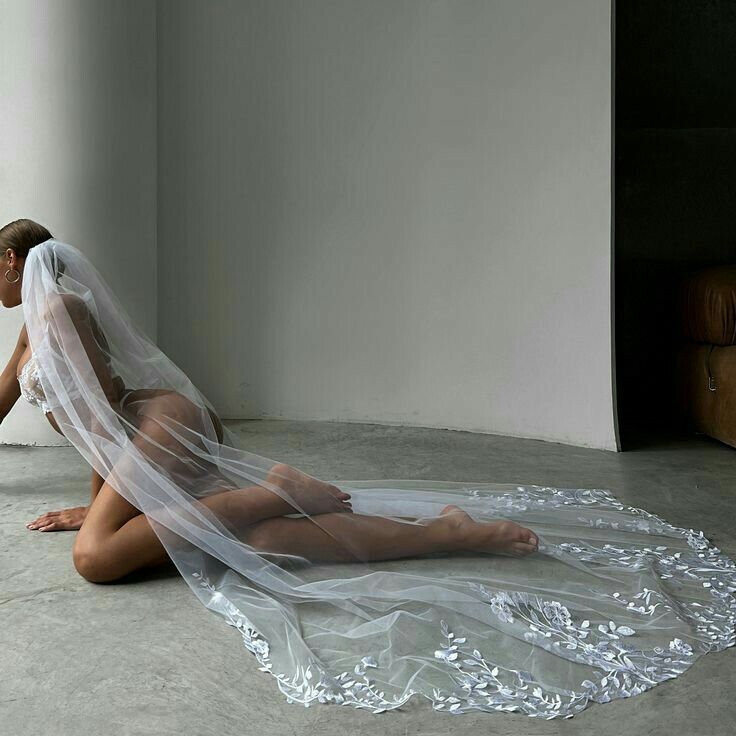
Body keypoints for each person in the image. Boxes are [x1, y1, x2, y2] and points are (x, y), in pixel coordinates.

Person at [1, 217, 734, 719]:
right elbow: (60, 415)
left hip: (157, 429)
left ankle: (273, 489)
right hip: (145, 439)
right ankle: (450, 533)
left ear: (12, 262)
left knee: (96, 559)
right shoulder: (31, 323)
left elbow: (103, 420)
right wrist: (103, 499)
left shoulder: (56, 308)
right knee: (258, 548)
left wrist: (104, 511)